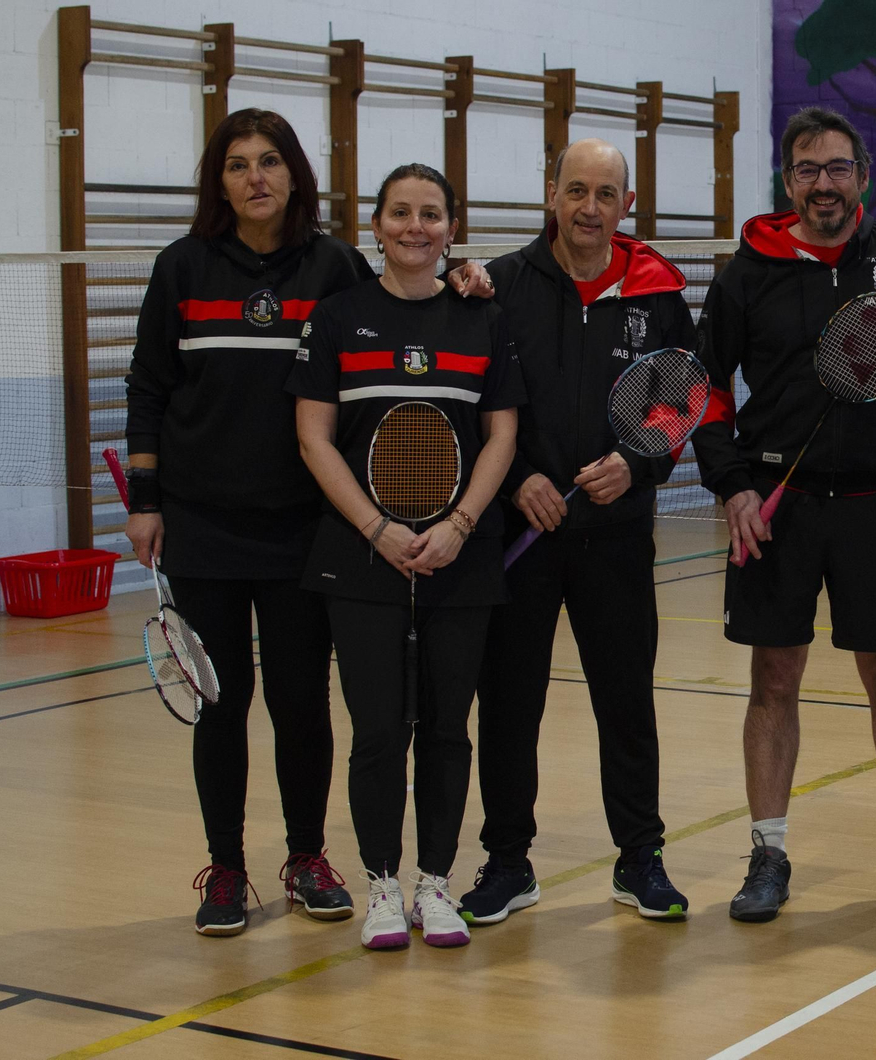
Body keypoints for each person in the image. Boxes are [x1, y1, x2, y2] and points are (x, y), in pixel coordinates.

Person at [690, 106, 876, 922]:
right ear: (788, 181)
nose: (824, 184)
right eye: (808, 169)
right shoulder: (749, 273)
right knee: (772, 680)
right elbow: (706, 386)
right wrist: (733, 486)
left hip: (875, 505)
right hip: (777, 510)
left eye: (838, 168)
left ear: (862, 177)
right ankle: (768, 853)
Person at [124, 109, 365, 936]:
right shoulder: (183, 267)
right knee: (220, 706)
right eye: (237, 164)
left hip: (306, 528)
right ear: (218, 181)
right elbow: (148, 386)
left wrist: (466, 281)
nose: (255, 176)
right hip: (203, 528)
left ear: (295, 174)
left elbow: (382, 353)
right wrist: (145, 503)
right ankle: (225, 869)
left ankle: (306, 859)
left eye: (270, 161)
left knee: (301, 703)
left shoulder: (336, 268)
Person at [460, 139, 697, 924]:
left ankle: (640, 858)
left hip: (617, 537)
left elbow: (679, 401)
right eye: (576, 191)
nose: (589, 207)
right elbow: (475, 404)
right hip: (522, 536)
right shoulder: (499, 287)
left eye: (606, 193)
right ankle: (506, 862)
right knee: (509, 702)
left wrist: (638, 463)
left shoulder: (658, 293)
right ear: (551, 195)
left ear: (627, 204)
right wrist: (520, 474)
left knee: (625, 701)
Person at [289, 163, 521, 950]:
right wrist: (375, 529)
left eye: (430, 214)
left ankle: (436, 884)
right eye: (399, 213)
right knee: (378, 728)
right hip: (360, 559)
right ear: (377, 224)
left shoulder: (483, 319)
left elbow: (502, 436)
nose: (414, 227)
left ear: (451, 228)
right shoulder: (338, 317)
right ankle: (382, 884)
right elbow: (313, 436)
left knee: (449, 727)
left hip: (463, 554)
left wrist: (458, 523)